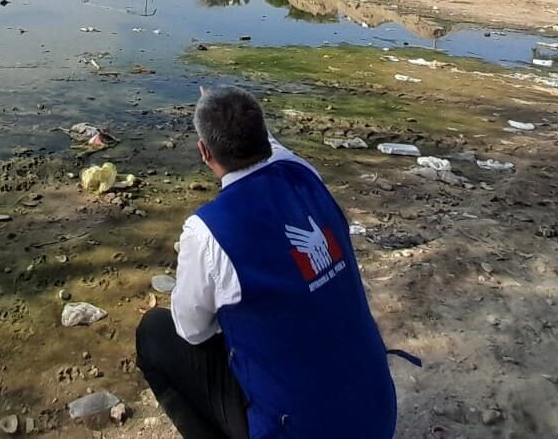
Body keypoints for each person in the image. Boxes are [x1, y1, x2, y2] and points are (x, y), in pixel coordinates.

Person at [136, 85, 399, 439]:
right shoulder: (305, 175)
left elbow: (192, 331)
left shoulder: (207, 231)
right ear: (263, 134)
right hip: (377, 414)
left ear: (203, 151)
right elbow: (274, 150)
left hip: (298, 431)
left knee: (154, 333)